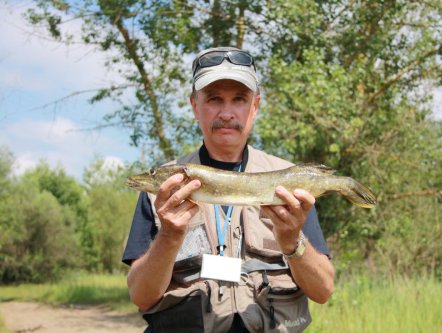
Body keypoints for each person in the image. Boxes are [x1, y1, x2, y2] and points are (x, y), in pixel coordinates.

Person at [122, 46, 335, 333]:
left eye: (239, 99)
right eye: (213, 99)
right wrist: (170, 236)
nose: (226, 113)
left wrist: (293, 242)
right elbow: (141, 295)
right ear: (195, 106)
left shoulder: (289, 181)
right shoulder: (161, 190)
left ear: (255, 106)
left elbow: (323, 291)